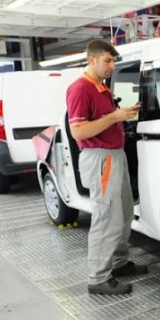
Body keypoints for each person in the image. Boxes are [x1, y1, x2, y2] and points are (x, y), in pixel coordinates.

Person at [66, 40, 148, 295]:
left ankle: (118, 263)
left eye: (114, 61)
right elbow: (78, 131)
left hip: (115, 156)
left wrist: (121, 115)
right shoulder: (80, 89)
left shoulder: (102, 88)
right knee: (106, 218)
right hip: (101, 159)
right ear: (91, 60)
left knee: (123, 213)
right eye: (107, 61)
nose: (112, 66)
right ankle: (98, 278)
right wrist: (115, 116)